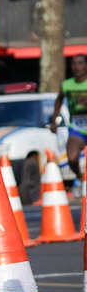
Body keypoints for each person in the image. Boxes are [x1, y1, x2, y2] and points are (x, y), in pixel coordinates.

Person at [51, 54, 87, 198]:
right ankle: (80, 179)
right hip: (77, 128)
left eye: (80, 63)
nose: (76, 66)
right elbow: (58, 100)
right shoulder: (67, 85)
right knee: (71, 156)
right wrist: (54, 120)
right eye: (73, 63)